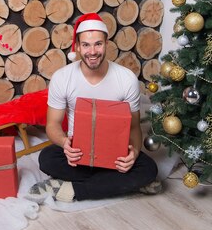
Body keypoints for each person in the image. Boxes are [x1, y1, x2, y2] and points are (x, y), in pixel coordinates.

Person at [28, 13, 160, 202]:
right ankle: (123, 183)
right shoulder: (62, 77)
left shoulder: (126, 78)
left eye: (98, 44)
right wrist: (65, 143)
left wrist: (134, 153)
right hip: (79, 152)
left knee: (148, 168)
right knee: (47, 158)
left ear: (106, 44)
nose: (92, 51)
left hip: (115, 153)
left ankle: (72, 189)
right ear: (78, 47)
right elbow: (53, 124)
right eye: (86, 45)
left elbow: (133, 127)